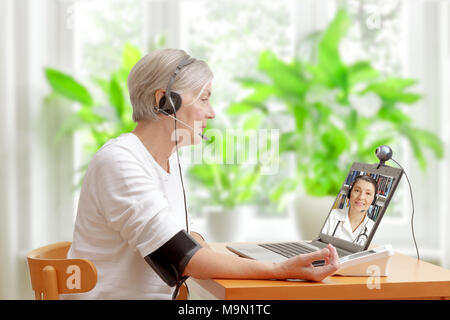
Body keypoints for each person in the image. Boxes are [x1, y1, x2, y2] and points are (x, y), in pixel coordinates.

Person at [64, 48, 339, 300]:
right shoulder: (119, 162)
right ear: (165, 101)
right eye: (204, 98)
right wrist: (279, 268)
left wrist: (244, 260)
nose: (212, 113)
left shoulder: (169, 161)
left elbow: (187, 237)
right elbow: (181, 257)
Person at [322, 175, 378, 245]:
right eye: (357, 190)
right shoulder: (330, 216)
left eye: (368, 193)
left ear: (373, 200)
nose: (361, 197)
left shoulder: (373, 228)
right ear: (349, 193)